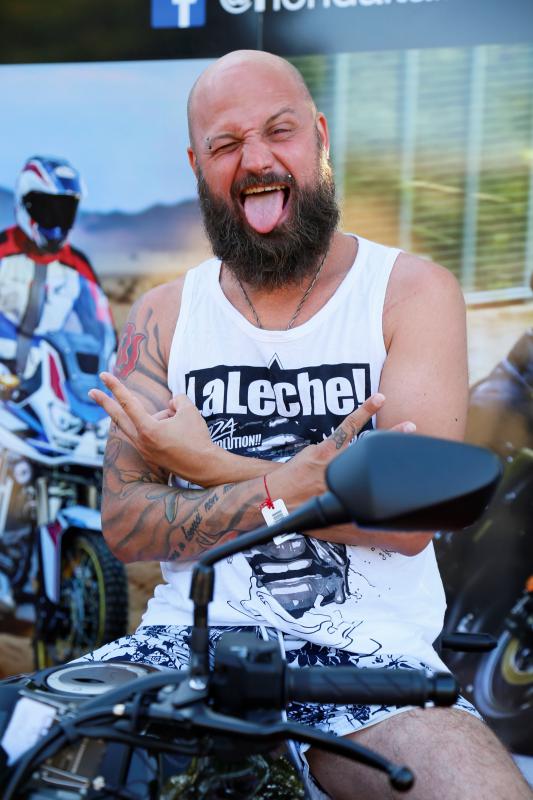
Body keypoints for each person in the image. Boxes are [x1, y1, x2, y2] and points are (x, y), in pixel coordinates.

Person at [87, 51, 532, 799]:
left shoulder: (409, 292)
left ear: (319, 137)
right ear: (197, 166)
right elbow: (128, 524)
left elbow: (407, 523)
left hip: (372, 666)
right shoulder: (162, 316)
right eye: (227, 144)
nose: (256, 159)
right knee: (29, 748)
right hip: (185, 648)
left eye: (279, 131)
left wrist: (213, 465)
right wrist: (306, 485)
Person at [0, 155, 113, 612]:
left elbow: (98, 323)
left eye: (64, 209)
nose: (55, 219)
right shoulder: (2, 251)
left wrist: (113, 358)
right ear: (26, 205)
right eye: (47, 208)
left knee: (71, 459)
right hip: (6, 384)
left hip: (52, 387)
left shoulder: (78, 265)